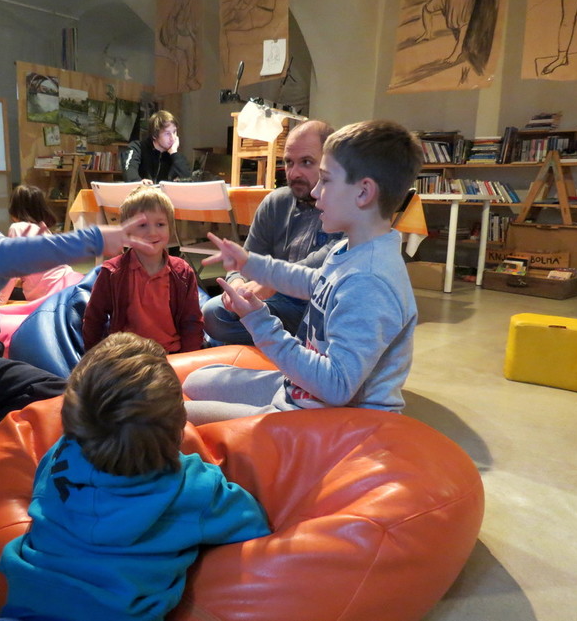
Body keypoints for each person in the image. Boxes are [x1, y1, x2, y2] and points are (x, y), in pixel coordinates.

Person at [0, 101, 156, 510]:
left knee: (8, 381)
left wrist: (13, 268)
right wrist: (94, 238)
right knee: (52, 395)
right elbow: (1, 257)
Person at [0, 332, 270, 621]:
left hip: (25, 608)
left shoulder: (59, 454)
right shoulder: (194, 487)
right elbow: (252, 522)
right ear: (180, 425)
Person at [183, 119, 424, 424]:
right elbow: (312, 281)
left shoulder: (370, 281)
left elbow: (337, 387)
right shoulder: (350, 248)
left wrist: (260, 322)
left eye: (326, 180)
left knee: (173, 416)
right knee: (196, 381)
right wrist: (250, 263)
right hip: (305, 391)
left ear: (364, 193)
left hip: (330, 418)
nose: (317, 191)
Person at [201, 119, 344, 345]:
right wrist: (237, 285)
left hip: (318, 305)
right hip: (274, 304)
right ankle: (282, 344)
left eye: (306, 162)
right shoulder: (276, 202)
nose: (294, 173)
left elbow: (326, 262)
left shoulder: (342, 206)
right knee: (214, 313)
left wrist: (272, 282)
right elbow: (248, 257)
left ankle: (278, 344)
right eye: (288, 162)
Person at [82, 185, 203, 353]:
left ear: (170, 227)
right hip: (128, 355)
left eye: (160, 224)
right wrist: (93, 357)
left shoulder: (182, 272)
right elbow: (94, 319)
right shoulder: (112, 273)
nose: (152, 232)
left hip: (171, 354)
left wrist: (189, 358)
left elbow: (192, 321)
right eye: (142, 225)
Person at [0, 184, 80, 304]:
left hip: (51, 293)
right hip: (69, 281)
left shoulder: (17, 228)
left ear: (14, 208)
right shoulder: (43, 229)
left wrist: (0, 301)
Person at [121, 110, 192, 184]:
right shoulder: (137, 148)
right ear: (155, 135)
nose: (173, 138)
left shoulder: (175, 156)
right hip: (143, 190)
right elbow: (129, 172)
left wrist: (174, 153)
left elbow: (188, 181)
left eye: (174, 132)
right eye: (167, 133)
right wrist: (138, 182)